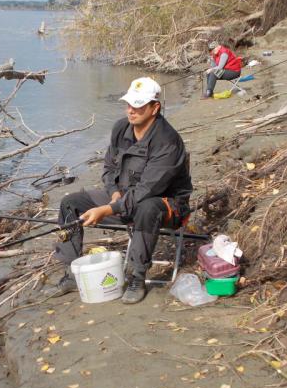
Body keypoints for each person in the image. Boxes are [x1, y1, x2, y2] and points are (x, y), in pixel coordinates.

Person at [53, 77, 193, 304]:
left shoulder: (168, 141)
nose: (131, 110)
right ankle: (71, 272)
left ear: (154, 107)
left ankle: (137, 276)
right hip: (123, 199)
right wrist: (113, 193)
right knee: (70, 202)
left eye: (138, 105)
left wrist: (108, 209)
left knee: (147, 207)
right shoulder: (121, 128)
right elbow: (109, 167)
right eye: (129, 104)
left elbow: (147, 190)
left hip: (168, 206)